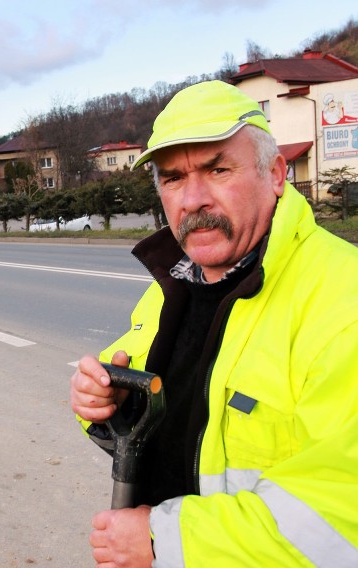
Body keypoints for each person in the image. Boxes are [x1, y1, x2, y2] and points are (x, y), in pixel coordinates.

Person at [70, 80, 358, 567]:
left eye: (217, 169)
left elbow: (341, 511)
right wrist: (104, 402)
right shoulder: (171, 290)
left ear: (276, 174)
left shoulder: (342, 298)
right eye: (173, 179)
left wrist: (165, 541)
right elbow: (165, 416)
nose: (193, 199)